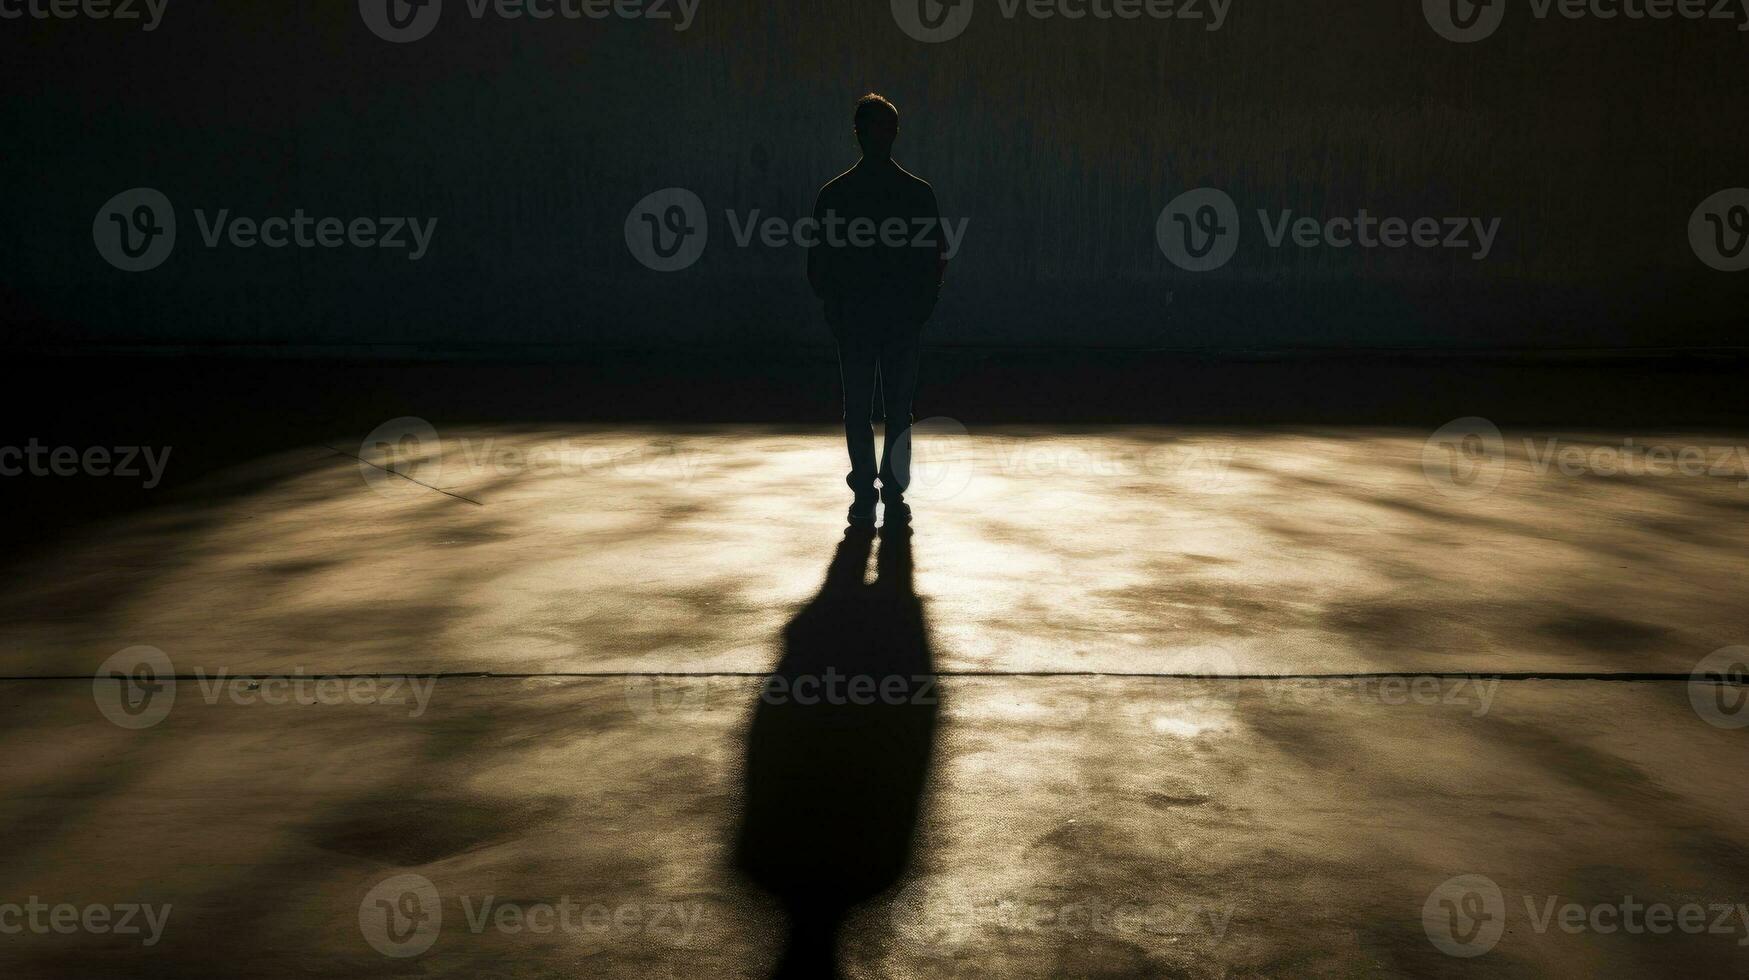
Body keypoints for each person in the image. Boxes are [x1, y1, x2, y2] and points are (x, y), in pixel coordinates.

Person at [807, 93, 948, 527]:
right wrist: (921, 309)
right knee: (898, 408)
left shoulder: (836, 194)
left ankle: (865, 490)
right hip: (900, 318)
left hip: (857, 319)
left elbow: (819, 263)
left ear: (858, 133)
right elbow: (934, 259)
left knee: (858, 410)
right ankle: (891, 490)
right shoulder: (916, 192)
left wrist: (835, 310)